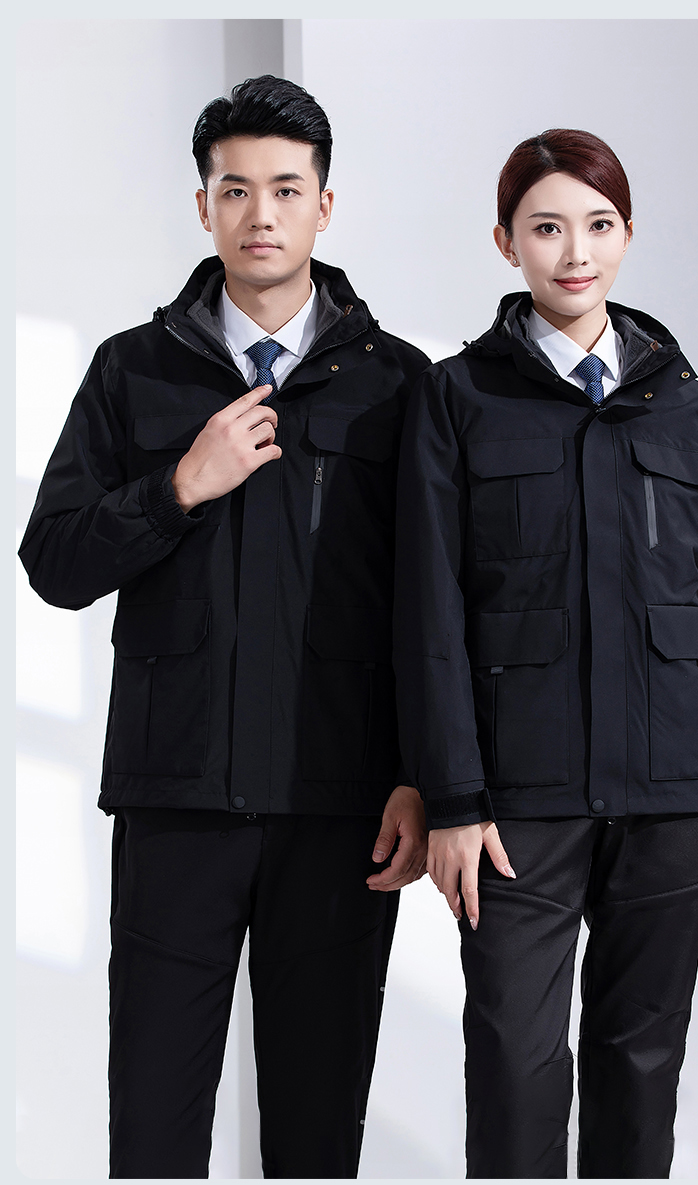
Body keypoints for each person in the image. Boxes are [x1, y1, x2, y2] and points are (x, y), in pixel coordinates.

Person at [19, 74, 429, 1180]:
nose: (260, 215)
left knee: (314, 1136)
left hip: (341, 808)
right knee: (153, 1134)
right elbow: (53, 563)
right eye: (235, 190)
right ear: (202, 206)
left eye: (286, 190)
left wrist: (419, 777)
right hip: (176, 802)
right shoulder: (132, 369)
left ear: (325, 207)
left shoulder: (398, 386)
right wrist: (178, 488)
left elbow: (431, 608)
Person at [393, 128, 698, 1179]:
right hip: (517, 807)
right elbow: (428, 615)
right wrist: (453, 798)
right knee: (514, 1063)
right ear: (505, 241)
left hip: (673, 795)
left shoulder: (691, 413)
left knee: (640, 1066)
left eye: (597, 225)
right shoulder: (458, 399)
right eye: (546, 227)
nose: (575, 252)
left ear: (627, 234)